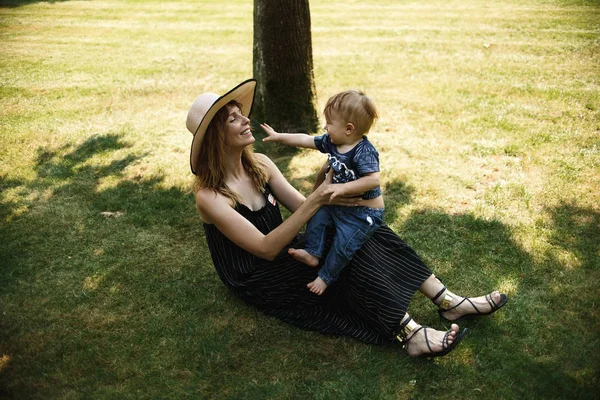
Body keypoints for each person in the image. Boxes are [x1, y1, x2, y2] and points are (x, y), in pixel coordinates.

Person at [186, 79, 508, 358]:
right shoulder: (210, 197)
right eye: (233, 118)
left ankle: (447, 300)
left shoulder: (260, 165)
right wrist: (317, 200)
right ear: (217, 135)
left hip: (288, 246)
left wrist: (328, 193)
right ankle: (408, 333)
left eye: (241, 112)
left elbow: (302, 206)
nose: (246, 119)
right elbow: (267, 248)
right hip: (259, 275)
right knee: (340, 268)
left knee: (363, 229)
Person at [260, 90, 383, 296]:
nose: (325, 127)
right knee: (316, 217)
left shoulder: (364, 151)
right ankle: (312, 252)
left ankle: (325, 277)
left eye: (329, 123)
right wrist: (279, 137)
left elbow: (373, 180)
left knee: (343, 246)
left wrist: (341, 188)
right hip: (337, 204)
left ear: (348, 129)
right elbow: (306, 140)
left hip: (362, 215)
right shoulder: (332, 142)